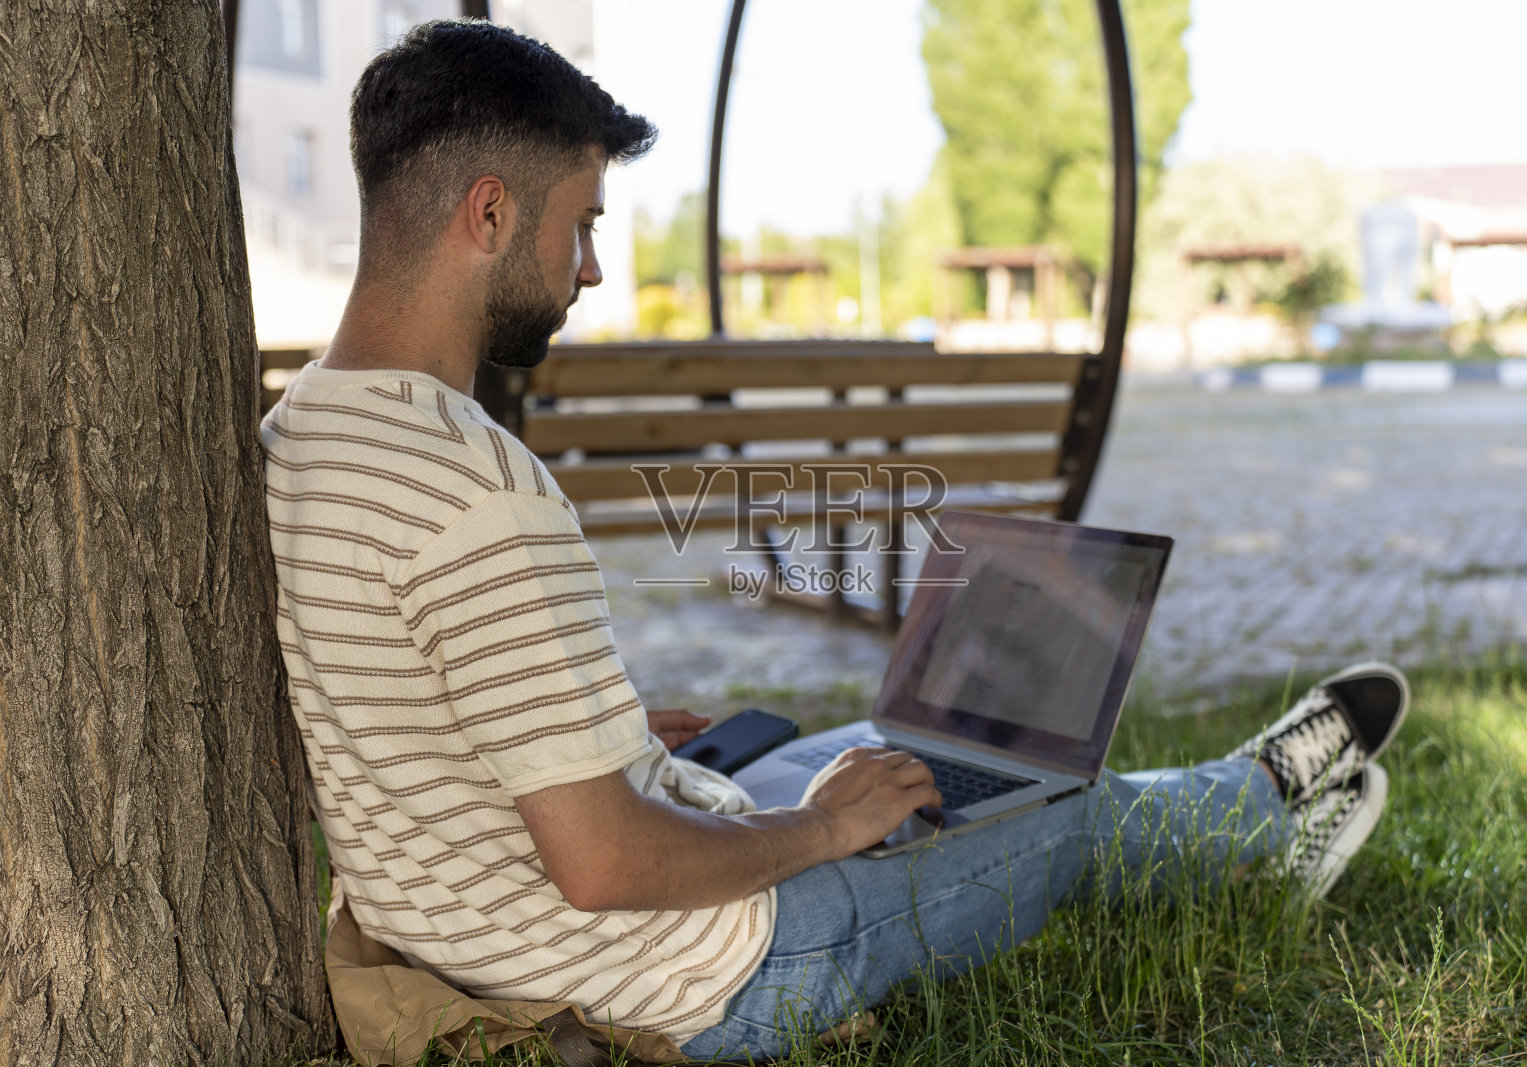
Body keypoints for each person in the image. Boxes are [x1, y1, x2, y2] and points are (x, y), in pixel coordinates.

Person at [260, 19, 1411, 1062]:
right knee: (1060, 805)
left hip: (491, 933)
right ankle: (1266, 795)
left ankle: (1220, 809)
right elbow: (605, 862)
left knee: (884, 745)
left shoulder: (300, 433)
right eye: (583, 224)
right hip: (702, 977)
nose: (593, 268)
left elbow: (400, 704)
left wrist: (585, 733)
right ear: (491, 213)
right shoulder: (477, 487)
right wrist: (818, 828)